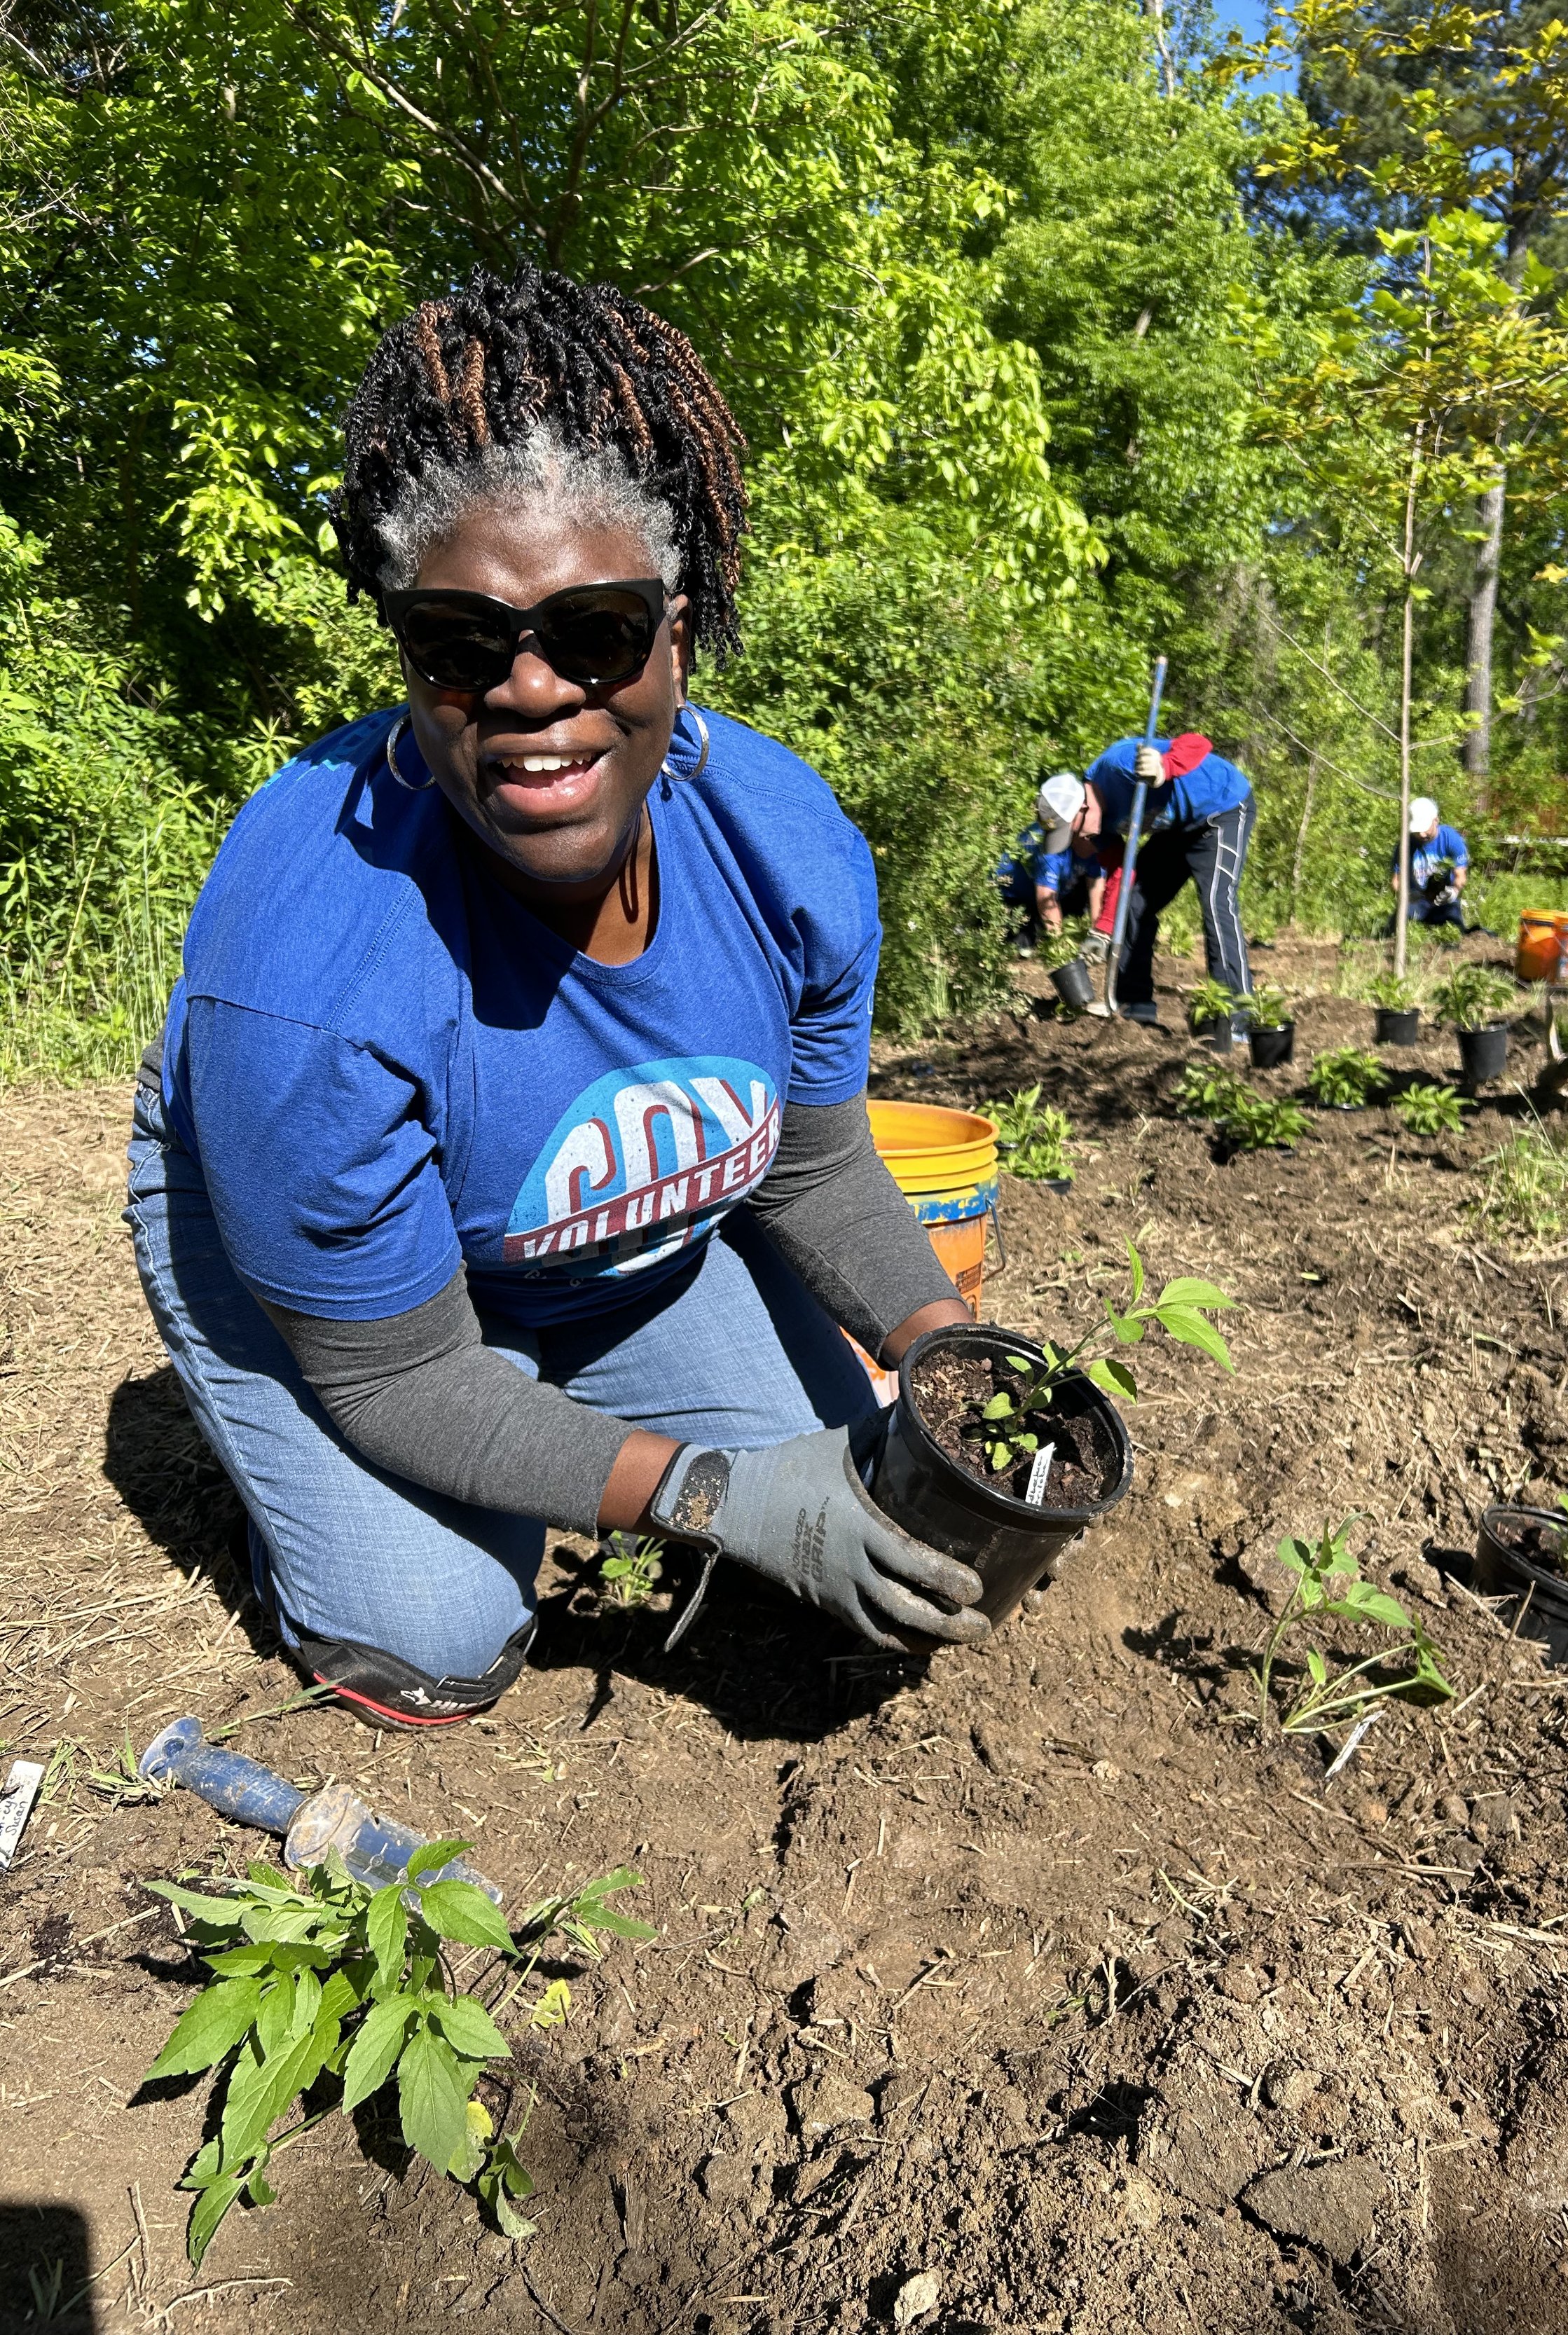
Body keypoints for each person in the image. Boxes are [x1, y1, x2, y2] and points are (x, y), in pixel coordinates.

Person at [124, 266, 991, 1731]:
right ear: (407, 656)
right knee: (446, 1627)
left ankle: (543, 1361)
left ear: (681, 626)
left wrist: (936, 1347)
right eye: (460, 645)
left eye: (593, 631)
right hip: (339, 1287)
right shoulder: (312, 982)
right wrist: (705, 1490)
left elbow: (815, 1151)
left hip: (559, 1226)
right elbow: (403, 1376)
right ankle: (306, 1478)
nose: (530, 690)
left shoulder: (781, 849)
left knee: (856, 1503)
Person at [1083, 730, 1254, 1026]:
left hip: (1220, 809)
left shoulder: (1116, 764)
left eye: (1076, 827)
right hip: (1177, 829)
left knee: (1216, 902)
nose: (1083, 836)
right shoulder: (1096, 828)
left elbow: (1199, 743)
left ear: (1081, 804)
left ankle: (1236, 1015)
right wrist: (1104, 928)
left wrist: (1164, 765)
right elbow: (1123, 875)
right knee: (1134, 902)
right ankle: (1134, 1006)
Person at [995, 773, 1100, 951]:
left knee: (1082, 893)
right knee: (1022, 944)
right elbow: (1046, 899)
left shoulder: (1092, 836)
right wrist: (1060, 950)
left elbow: (1096, 883)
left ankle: (1048, 927)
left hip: (1057, 887)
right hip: (1011, 896)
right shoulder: (1050, 852)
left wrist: (1100, 934)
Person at [1393, 798, 1471, 930]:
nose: (1422, 834)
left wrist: (1454, 891)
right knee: (1395, 930)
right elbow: (1396, 881)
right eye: (1418, 830)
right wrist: (1408, 895)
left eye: (1425, 828)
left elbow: (1460, 875)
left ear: (1436, 820)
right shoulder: (1405, 845)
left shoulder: (1450, 838)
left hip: (1444, 902)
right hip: (1416, 903)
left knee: (1455, 935)